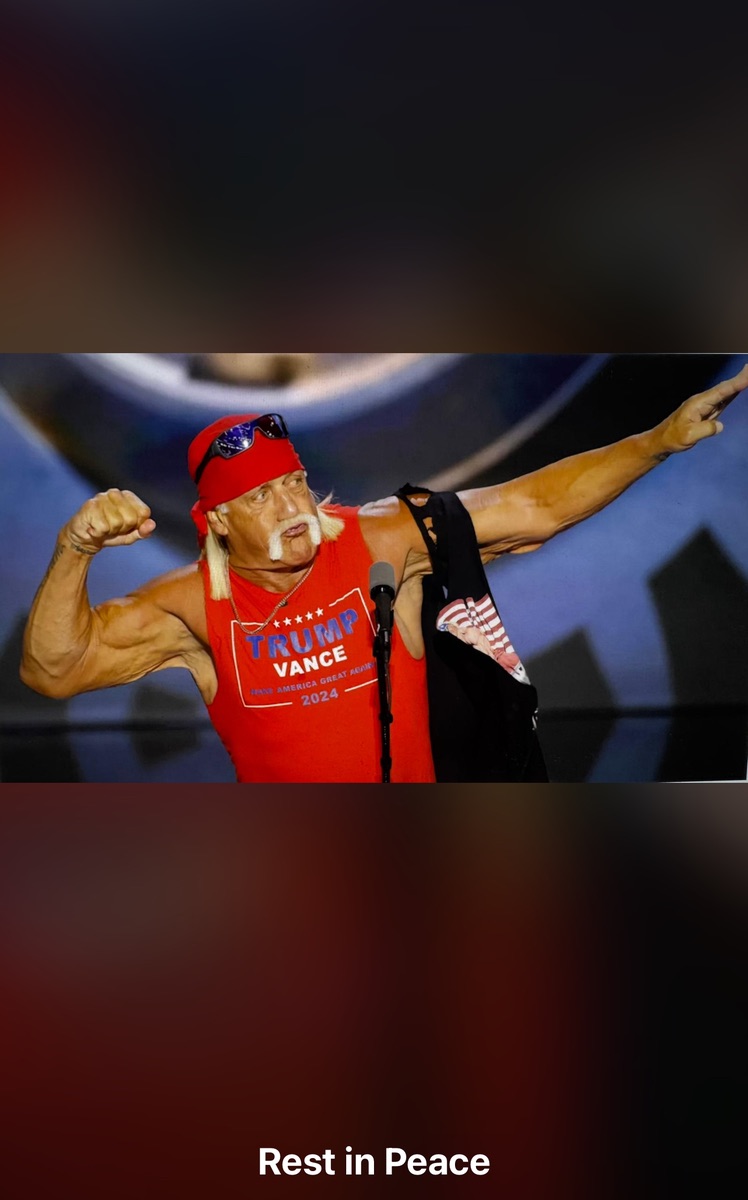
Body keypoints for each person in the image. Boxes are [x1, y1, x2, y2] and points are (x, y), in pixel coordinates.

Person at [20, 364, 748, 782]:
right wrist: (74, 549)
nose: (291, 506)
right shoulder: (190, 607)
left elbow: (532, 506)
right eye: (261, 497)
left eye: (293, 482)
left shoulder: (382, 540)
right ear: (217, 521)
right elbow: (54, 670)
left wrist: (656, 442)